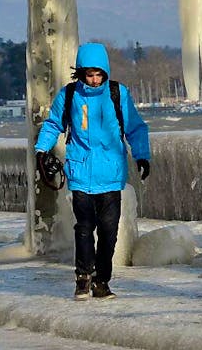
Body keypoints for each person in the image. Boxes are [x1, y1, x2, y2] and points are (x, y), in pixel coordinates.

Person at [34, 42, 151, 300]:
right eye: (90, 74)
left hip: (110, 175)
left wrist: (142, 156)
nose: (95, 79)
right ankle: (83, 278)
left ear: (106, 72)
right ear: (82, 73)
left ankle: (102, 281)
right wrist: (41, 150)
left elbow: (135, 127)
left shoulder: (117, 94)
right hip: (80, 173)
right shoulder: (69, 96)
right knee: (84, 228)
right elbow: (54, 124)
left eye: (99, 74)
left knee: (109, 233)